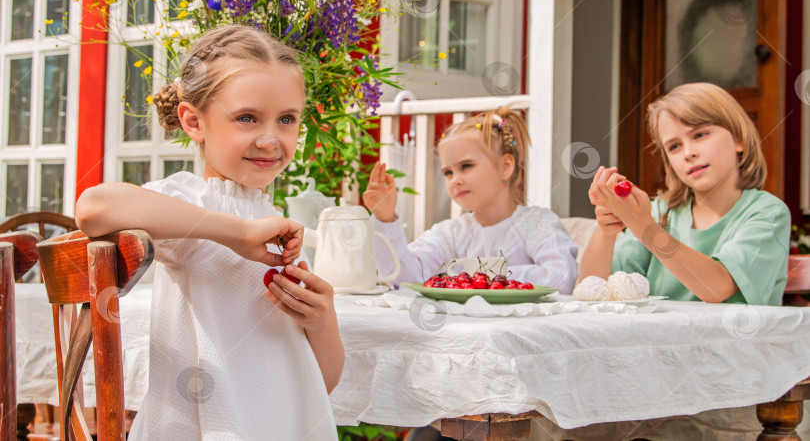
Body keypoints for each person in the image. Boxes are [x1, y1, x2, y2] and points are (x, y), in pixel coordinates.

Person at [75, 25, 343, 440]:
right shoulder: (191, 203)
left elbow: (318, 384)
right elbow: (94, 207)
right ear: (193, 121)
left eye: (287, 119)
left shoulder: (274, 220)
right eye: (247, 118)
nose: (271, 139)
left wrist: (323, 323)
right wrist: (235, 232)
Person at [578, 82, 790, 305]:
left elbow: (717, 287)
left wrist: (644, 227)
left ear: (739, 139)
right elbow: (590, 291)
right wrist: (607, 229)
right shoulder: (661, 213)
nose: (688, 153)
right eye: (674, 147)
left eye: (700, 134)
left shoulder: (768, 213)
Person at [363, 107, 578, 292]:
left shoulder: (537, 224)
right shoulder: (451, 234)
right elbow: (403, 278)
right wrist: (385, 218)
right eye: (448, 172)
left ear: (505, 167)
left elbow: (561, 279)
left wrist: (473, 276)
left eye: (466, 166)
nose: (455, 180)